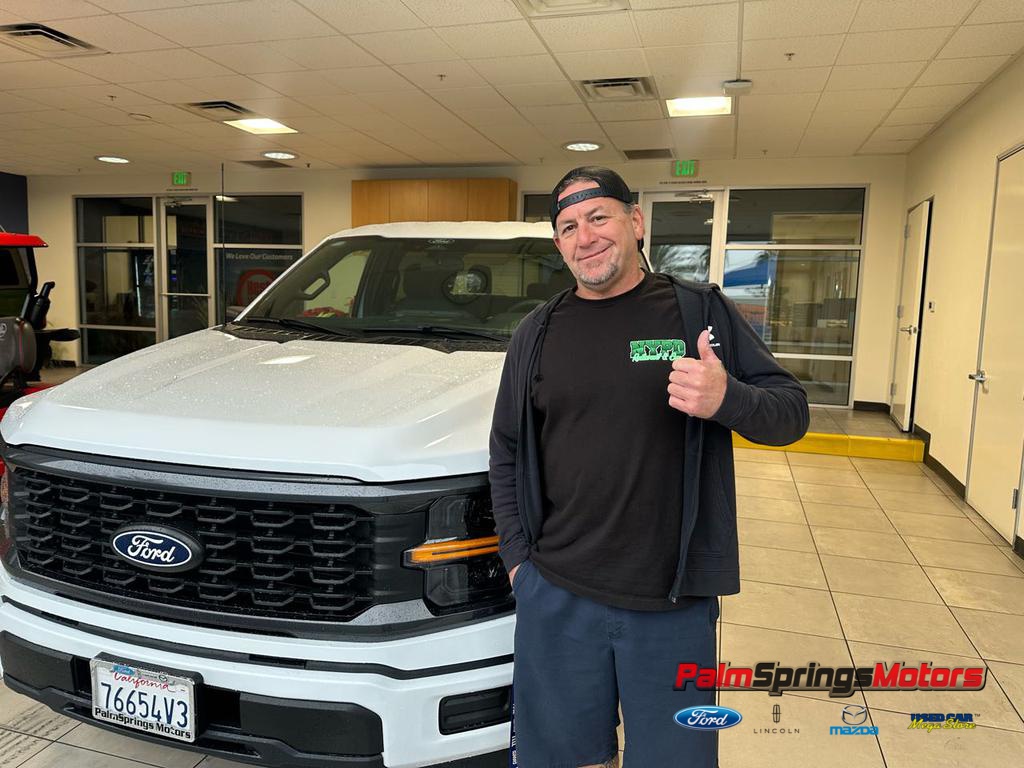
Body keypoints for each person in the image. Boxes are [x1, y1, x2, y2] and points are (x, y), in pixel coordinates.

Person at [489, 166, 809, 767]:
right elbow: (506, 448)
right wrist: (518, 564)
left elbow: (791, 414)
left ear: (636, 222)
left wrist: (728, 399)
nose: (585, 237)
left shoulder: (697, 313)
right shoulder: (536, 332)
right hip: (556, 595)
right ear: (558, 243)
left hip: (672, 603)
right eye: (568, 227)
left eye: (598, 217)